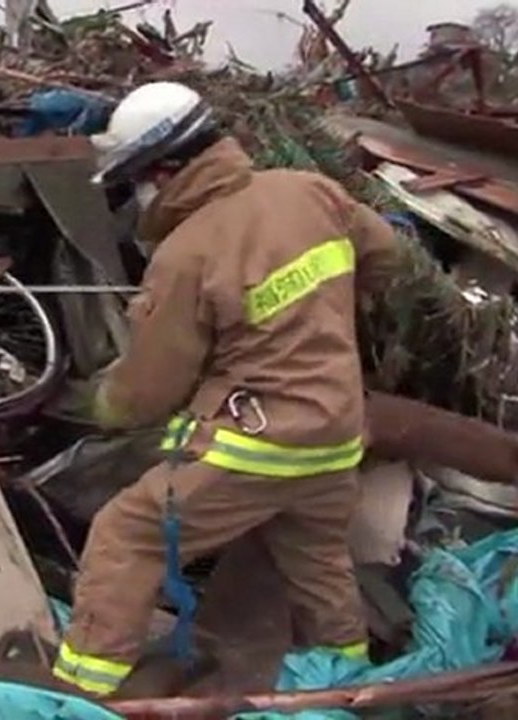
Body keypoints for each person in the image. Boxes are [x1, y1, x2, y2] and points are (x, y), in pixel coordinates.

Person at [51, 81, 399, 698]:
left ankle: (80, 695)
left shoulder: (187, 252)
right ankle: (352, 687)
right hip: (336, 438)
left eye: (137, 180)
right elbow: (386, 254)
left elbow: (149, 389)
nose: (139, 195)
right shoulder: (309, 191)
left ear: (166, 168)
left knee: (127, 535)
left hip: (255, 445)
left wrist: (100, 403)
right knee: (317, 566)